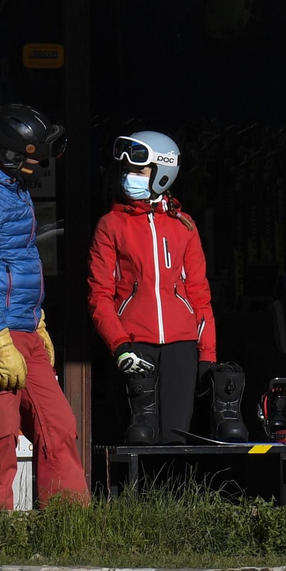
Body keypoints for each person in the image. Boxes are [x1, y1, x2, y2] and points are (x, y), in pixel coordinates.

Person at [0, 103, 90, 510]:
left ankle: (70, 524)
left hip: (24, 329)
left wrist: (37, 319)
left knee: (58, 425)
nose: (40, 162)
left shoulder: (12, 186)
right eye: (34, 154)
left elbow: (19, 262)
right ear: (10, 152)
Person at [87, 131, 221, 445]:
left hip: (181, 343)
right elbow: (99, 294)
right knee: (138, 434)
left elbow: (199, 292)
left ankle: (173, 495)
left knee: (177, 434)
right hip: (133, 344)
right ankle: (133, 495)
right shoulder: (111, 224)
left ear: (162, 173)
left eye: (138, 171)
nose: (128, 177)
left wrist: (208, 354)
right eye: (126, 171)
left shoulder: (184, 225)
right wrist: (120, 346)